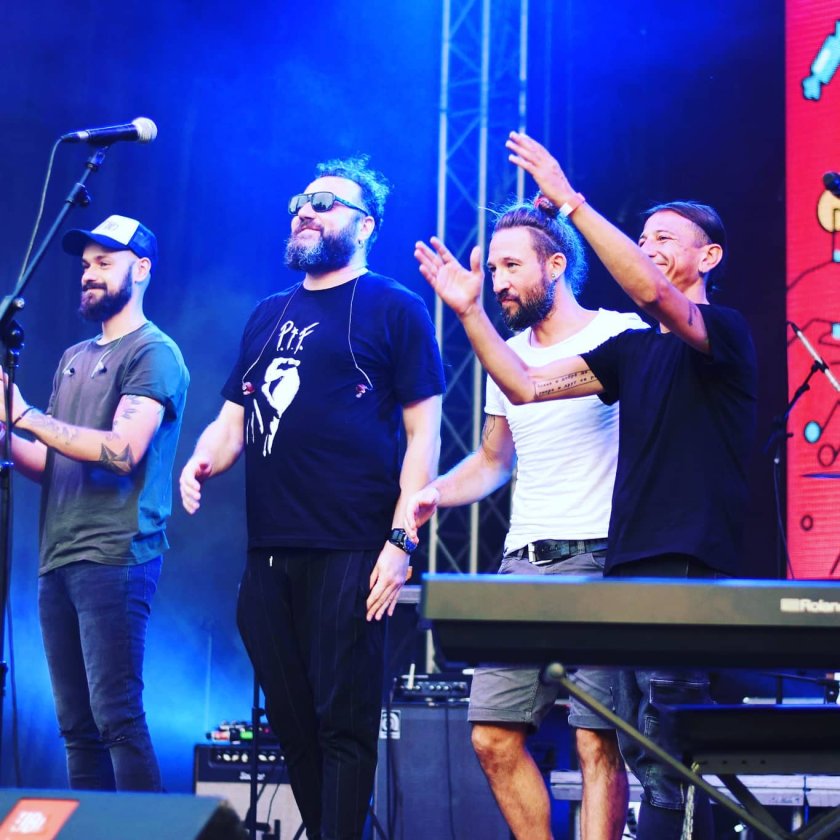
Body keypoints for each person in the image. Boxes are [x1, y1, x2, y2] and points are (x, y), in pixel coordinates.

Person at [414, 132, 757, 840]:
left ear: (709, 257)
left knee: (666, 749)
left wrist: (570, 200)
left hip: (682, 562)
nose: (649, 246)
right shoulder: (630, 350)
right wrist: (471, 313)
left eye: (665, 238)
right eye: (643, 236)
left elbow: (651, 292)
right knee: (643, 750)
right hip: (626, 565)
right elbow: (524, 384)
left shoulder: (721, 331)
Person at [179, 156, 445, 840]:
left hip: (350, 549)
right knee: (293, 727)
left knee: (342, 727)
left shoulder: (394, 307)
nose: (305, 209)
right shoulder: (267, 313)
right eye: (302, 199)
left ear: (365, 225)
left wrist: (401, 541)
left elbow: (424, 434)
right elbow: (233, 417)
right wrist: (203, 459)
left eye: (325, 203)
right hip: (269, 554)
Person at [404, 197, 641, 840]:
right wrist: (436, 492)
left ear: (556, 265)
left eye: (512, 266)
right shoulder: (505, 353)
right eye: (493, 269)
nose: (499, 281)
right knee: (490, 735)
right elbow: (493, 460)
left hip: (601, 559)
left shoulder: (618, 334)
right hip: (522, 565)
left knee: (596, 740)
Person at [0, 215, 189, 791]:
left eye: (105, 263)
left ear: (142, 269)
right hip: (58, 556)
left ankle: (149, 832)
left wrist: (24, 414)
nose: (89, 273)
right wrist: (6, 436)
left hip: (115, 555)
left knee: (117, 719)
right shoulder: (72, 357)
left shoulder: (153, 351)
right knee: (77, 729)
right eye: (86, 264)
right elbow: (53, 461)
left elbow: (123, 451)